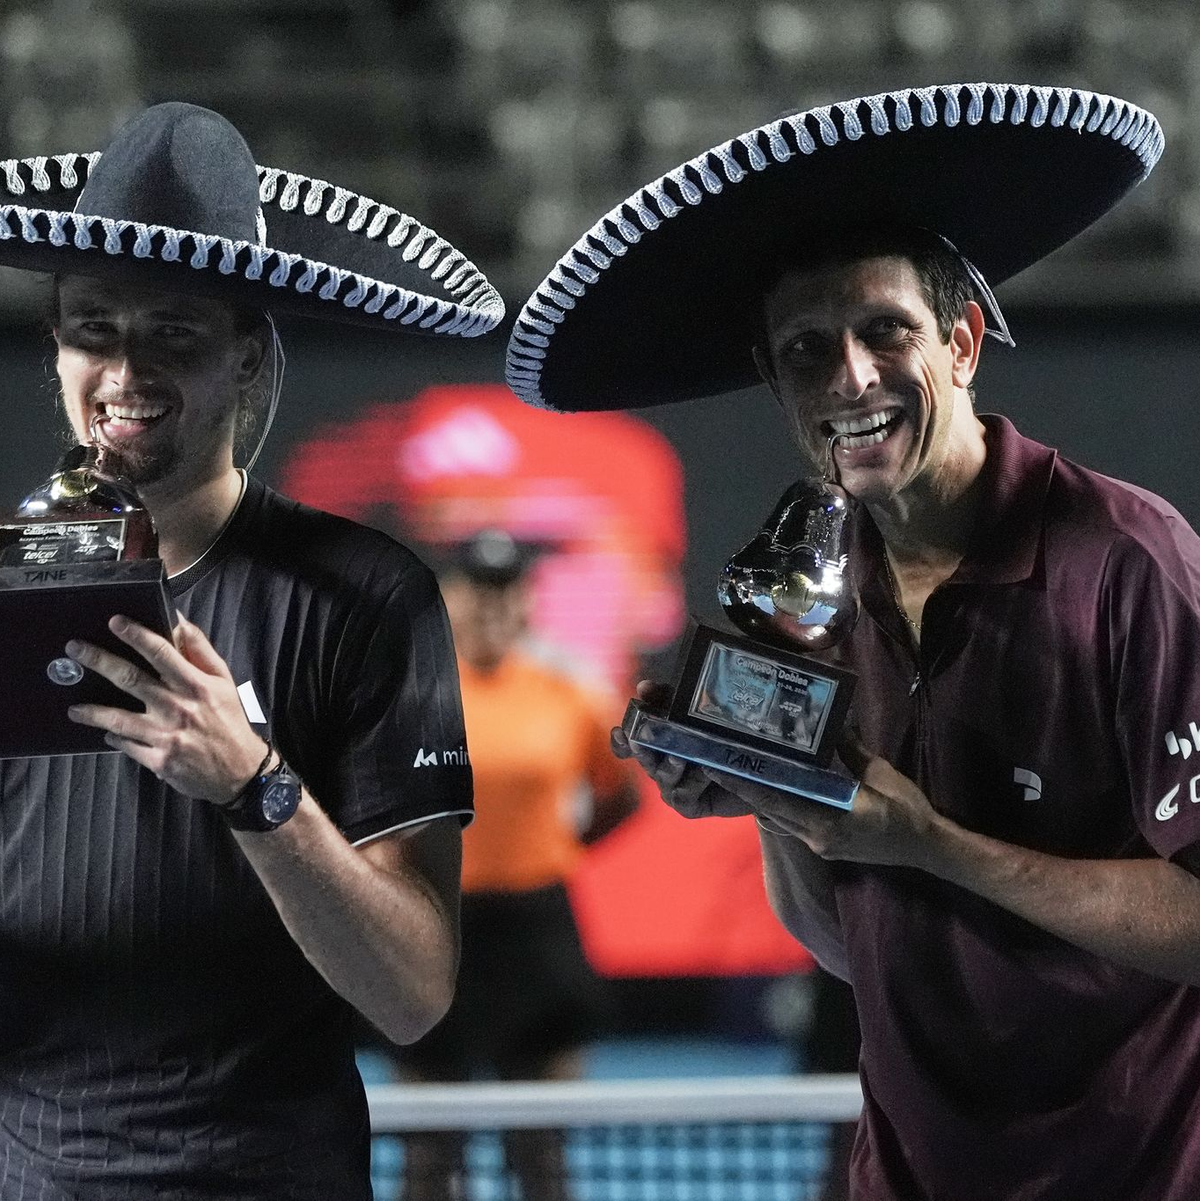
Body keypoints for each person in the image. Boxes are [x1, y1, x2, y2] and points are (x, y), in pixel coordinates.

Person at [503, 83, 1200, 1199]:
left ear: (964, 340)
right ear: (777, 384)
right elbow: (845, 941)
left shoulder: (1129, 562)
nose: (852, 378)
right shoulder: (812, 592)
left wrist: (935, 844)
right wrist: (773, 795)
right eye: (807, 351)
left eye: (887, 331)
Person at [0, 101, 504, 1198]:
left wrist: (254, 787)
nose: (125, 370)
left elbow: (413, 992)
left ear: (248, 354)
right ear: (55, 344)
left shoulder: (369, 598)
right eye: (94, 326)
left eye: (174, 331)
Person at [400, 530, 639, 1201]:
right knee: (427, 1156)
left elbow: (620, 795)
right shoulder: (407, 694)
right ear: (449, 597)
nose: (492, 606)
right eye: (478, 590)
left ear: (527, 602)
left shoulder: (568, 694)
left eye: (507, 591)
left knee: (542, 1155)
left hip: (537, 935)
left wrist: (556, 851)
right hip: (434, 931)